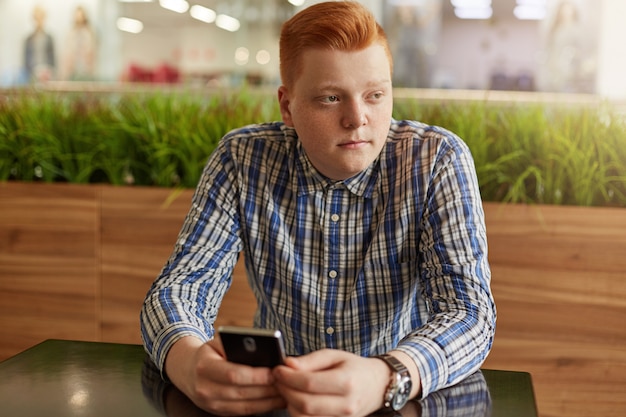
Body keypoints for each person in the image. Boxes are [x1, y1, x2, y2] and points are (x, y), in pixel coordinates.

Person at [140, 2, 496, 417]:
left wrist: (387, 375)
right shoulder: (243, 158)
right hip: (277, 398)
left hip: (395, 401)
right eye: (331, 98)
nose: (357, 118)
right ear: (287, 107)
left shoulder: (436, 159)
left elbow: (469, 313)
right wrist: (187, 362)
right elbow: (180, 288)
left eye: (375, 95)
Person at [61, 5, 96, 81]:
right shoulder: (71, 33)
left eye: (80, 15)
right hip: (72, 71)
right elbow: (67, 54)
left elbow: (92, 54)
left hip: (86, 72)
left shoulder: (89, 34)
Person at [23, 5, 55, 82]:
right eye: (37, 18)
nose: (39, 21)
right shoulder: (28, 39)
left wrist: (47, 72)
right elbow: (26, 61)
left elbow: (52, 60)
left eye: (41, 18)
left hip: (47, 76)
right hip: (32, 76)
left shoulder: (49, 38)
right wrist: (34, 72)